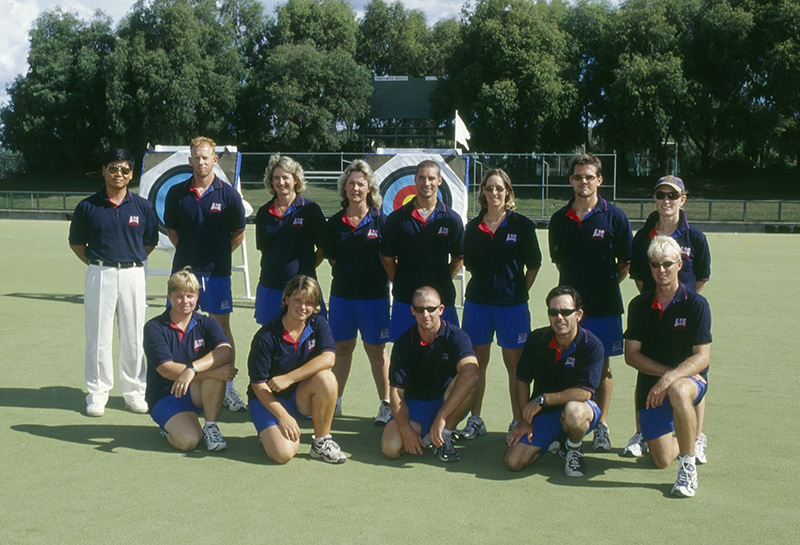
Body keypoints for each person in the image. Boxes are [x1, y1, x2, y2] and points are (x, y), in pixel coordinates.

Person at [548, 153, 632, 450]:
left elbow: (625, 264)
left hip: (605, 305)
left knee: (603, 368)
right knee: (567, 366)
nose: (583, 182)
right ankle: (567, 426)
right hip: (568, 311)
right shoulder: (559, 219)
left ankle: (602, 426)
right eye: (578, 176)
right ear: (571, 180)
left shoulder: (616, 217)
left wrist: (604, 286)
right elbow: (559, 263)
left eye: (589, 176)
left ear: (600, 180)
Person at [625, 175, 712, 460]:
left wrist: (680, 300)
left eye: (672, 196)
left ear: (682, 200)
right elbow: (639, 276)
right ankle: (644, 434)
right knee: (646, 370)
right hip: (653, 313)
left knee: (690, 374)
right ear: (654, 199)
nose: (666, 200)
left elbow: (700, 278)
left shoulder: (695, 237)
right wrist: (657, 298)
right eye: (661, 195)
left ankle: (696, 438)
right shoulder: (642, 237)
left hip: (684, 313)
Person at [69, 148, 158, 417]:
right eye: (113, 168)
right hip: (100, 274)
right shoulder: (87, 206)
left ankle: (134, 391)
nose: (118, 174)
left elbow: (149, 242)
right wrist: (101, 265)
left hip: (133, 274)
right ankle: (97, 392)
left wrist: (128, 262)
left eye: (124, 169)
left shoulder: (143, 206)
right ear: (104, 170)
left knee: (133, 336)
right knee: (98, 336)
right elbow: (76, 243)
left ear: (131, 174)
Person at [164, 136, 247, 412]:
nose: (201, 162)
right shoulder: (177, 193)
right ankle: (175, 384)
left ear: (215, 160)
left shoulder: (229, 195)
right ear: (190, 161)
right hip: (184, 275)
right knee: (178, 328)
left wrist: (217, 257)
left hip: (218, 275)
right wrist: (191, 258)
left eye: (206, 157)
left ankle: (228, 388)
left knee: (221, 329)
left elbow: (238, 234)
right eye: (196, 157)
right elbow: (173, 232)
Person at [624, 236, 712, 497]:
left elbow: (702, 357)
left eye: (667, 264)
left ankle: (687, 466)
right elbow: (631, 356)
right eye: (655, 265)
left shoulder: (696, 304)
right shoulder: (639, 305)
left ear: (679, 264)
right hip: (652, 387)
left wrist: (673, 378)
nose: (661, 270)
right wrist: (666, 376)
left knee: (679, 391)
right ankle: (688, 433)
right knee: (660, 459)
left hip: (689, 382)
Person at [459, 168, 541, 440]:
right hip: (478, 305)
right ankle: (475, 419)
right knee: (475, 363)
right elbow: (470, 264)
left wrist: (517, 291)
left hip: (512, 307)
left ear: (508, 192)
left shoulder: (522, 226)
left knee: (515, 364)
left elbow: (533, 265)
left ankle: (518, 420)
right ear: (482, 192)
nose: (494, 193)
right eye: (489, 188)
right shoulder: (472, 227)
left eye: (499, 188)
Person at [505, 286, 604, 477]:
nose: (559, 317)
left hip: (581, 409)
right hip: (544, 413)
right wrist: (524, 421)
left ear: (579, 314)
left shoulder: (592, 346)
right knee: (513, 462)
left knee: (573, 413)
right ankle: (556, 439)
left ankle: (573, 449)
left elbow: (584, 393)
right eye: (554, 312)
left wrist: (543, 399)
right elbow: (522, 380)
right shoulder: (536, 339)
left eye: (566, 312)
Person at [247, 275, 346, 464]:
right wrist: (283, 416)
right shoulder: (266, 336)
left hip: (300, 396)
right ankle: (270, 431)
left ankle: (321, 442)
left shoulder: (319, 324)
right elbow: (258, 386)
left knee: (327, 378)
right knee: (282, 454)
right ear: (286, 299)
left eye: (309, 302)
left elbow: (329, 358)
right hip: (268, 400)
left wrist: (289, 378)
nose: (303, 307)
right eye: (297, 300)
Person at [324, 160, 392, 424]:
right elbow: (333, 259)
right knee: (341, 349)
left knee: (376, 351)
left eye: (360, 184)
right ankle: (335, 400)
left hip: (374, 298)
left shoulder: (382, 222)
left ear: (369, 188)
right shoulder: (334, 224)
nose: (355, 188)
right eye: (350, 183)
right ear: (344, 188)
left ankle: (386, 404)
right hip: (342, 296)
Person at [381, 286, 479, 463]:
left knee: (470, 380)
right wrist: (405, 430)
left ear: (441, 309)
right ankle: (427, 435)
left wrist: (442, 416)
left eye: (431, 309)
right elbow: (396, 393)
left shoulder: (456, 336)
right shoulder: (404, 343)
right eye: (419, 309)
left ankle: (445, 434)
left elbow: (471, 372)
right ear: (413, 311)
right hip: (415, 406)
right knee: (390, 448)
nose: (425, 315)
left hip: (446, 401)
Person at [143, 269, 237, 451]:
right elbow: (166, 369)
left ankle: (210, 426)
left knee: (219, 365)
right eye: (178, 296)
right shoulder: (154, 327)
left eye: (190, 296)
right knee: (189, 441)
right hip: (166, 395)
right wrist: (208, 373)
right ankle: (169, 428)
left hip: (195, 391)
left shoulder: (207, 323)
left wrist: (192, 369)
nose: (185, 301)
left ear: (197, 297)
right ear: (169, 297)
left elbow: (225, 351)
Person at [381, 160, 464, 341]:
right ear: (415, 179)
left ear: (440, 181)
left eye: (431, 178)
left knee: (447, 353)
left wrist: (441, 278)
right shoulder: (397, 218)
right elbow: (386, 257)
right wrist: (401, 279)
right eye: (422, 178)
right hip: (405, 299)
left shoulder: (452, 219)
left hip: (442, 298)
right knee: (404, 353)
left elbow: (459, 257)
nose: (427, 183)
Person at [254, 154, 327, 326]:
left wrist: (305, 267)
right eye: (276, 178)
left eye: (285, 177)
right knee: (270, 337)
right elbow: (265, 250)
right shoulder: (264, 213)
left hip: (303, 288)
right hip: (270, 286)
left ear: (295, 179)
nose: (281, 182)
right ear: (270, 182)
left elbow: (323, 249)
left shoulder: (310, 210)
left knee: (311, 339)